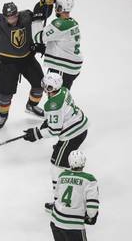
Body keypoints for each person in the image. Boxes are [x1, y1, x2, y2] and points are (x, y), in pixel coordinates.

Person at [0, 0, 55, 129]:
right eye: (9, 17)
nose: (11, 19)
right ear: (5, 16)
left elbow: (40, 15)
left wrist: (46, 3)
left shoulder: (26, 17)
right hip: (8, 64)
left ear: (17, 14)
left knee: (40, 85)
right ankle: (3, 115)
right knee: (5, 94)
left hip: (27, 60)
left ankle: (31, 106)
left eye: (13, 16)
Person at [23, 72, 88, 209]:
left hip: (71, 135)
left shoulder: (52, 104)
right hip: (81, 126)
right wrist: (47, 123)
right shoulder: (64, 90)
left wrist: (36, 134)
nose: (46, 89)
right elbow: (61, 115)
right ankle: (72, 193)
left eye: (48, 87)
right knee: (62, 162)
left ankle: (60, 201)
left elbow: (54, 130)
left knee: (56, 166)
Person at [32, 0, 83, 90]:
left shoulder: (60, 24)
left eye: (56, 6)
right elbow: (60, 42)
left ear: (59, 8)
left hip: (63, 67)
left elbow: (37, 37)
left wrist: (37, 18)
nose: (55, 8)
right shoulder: (72, 23)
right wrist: (46, 49)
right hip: (71, 65)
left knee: (54, 92)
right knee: (60, 93)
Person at [50, 150, 99, 241]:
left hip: (56, 221)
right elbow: (92, 211)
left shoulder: (62, 175)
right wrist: (90, 217)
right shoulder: (89, 180)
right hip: (74, 226)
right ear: (84, 162)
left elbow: (57, 197)